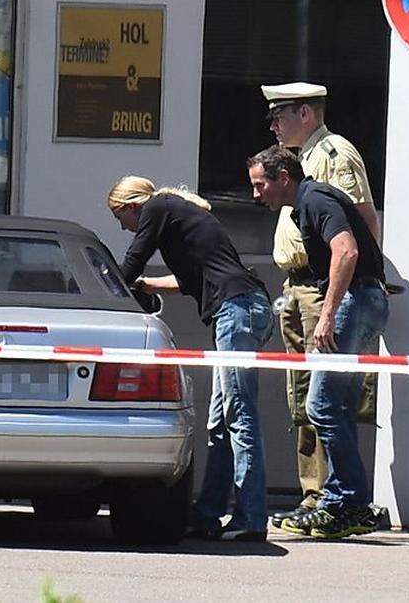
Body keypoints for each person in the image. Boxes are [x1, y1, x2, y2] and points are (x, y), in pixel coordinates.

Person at [107, 176, 274, 541]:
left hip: (237, 311)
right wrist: (146, 286)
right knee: (219, 421)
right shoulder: (179, 218)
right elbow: (190, 280)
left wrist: (113, 292)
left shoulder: (157, 207)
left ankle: (251, 518)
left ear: (132, 206)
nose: (123, 226)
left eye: (121, 217)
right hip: (243, 308)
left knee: (239, 415)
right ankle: (208, 515)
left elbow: (137, 255)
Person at [245, 147, 388, 539]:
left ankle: (348, 499)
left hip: (354, 303)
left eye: (261, 185)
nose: (256, 195)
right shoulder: (308, 202)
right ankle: (348, 503)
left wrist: (327, 313)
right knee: (336, 404)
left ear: (283, 178)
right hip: (365, 301)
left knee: (321, 403)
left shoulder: (315, 199)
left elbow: (347, 250)